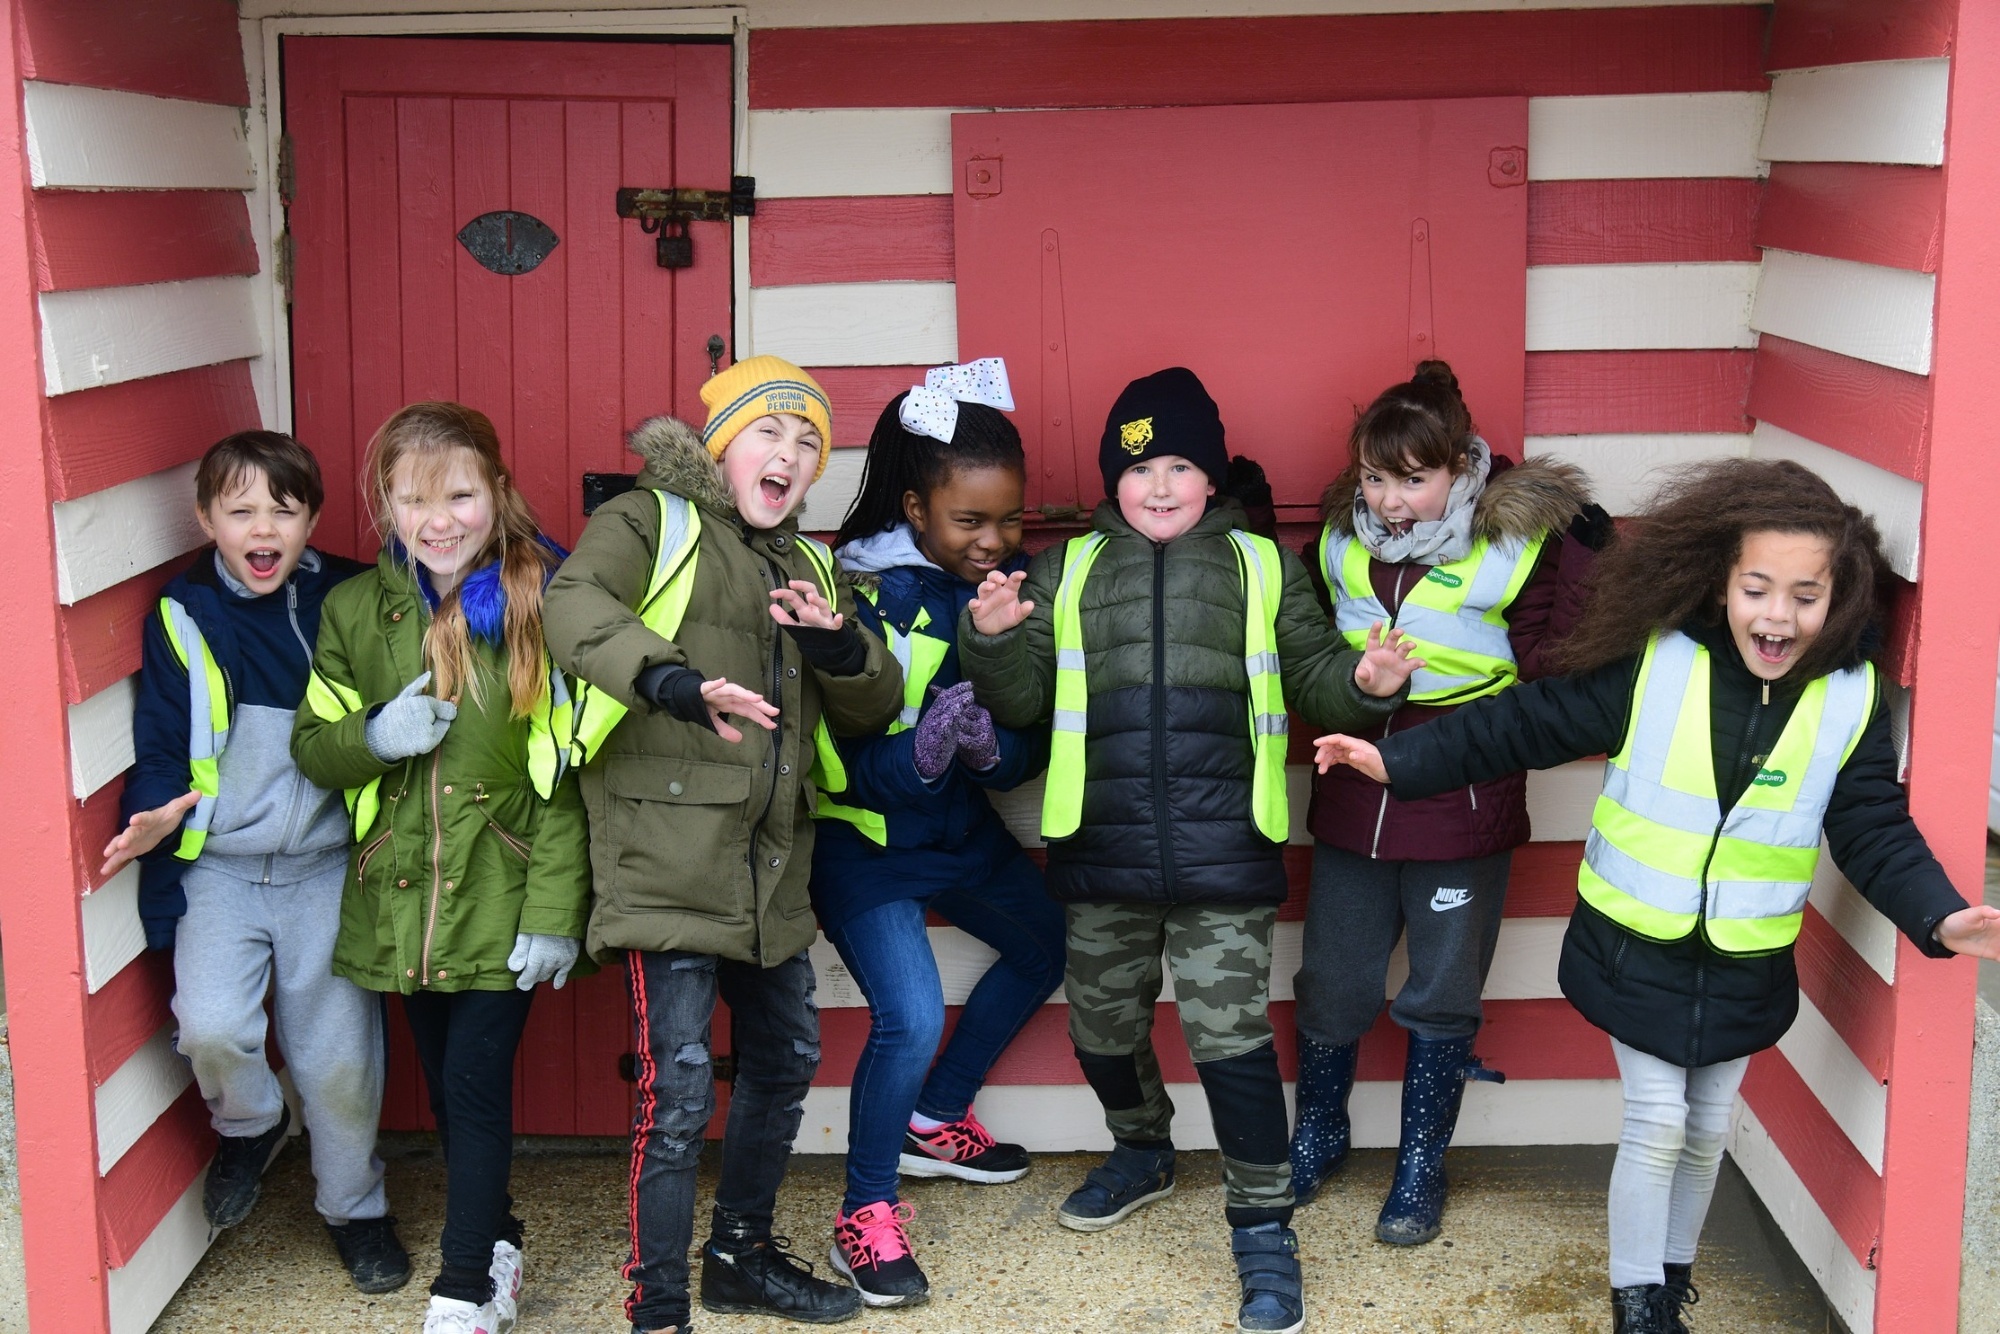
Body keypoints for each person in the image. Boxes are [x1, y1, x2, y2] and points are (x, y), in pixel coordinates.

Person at [1310, 458, 2000, 1333]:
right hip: (1634, 946)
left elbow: (1872, 826)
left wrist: (1942, 915)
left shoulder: (1850, 698)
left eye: (1805, 595)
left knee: (1708, 1125)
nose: (1778, 615)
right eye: (1758, 588)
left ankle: (1670, 1283)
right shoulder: (1657, 666)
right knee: (1658, 1120)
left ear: (1842, 599)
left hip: (1747, 960)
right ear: (1720, 584)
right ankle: (1638, 1303)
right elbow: (1524, 721)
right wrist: (1397, 761)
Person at [960, 367, 1420, 1334]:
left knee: (1231, 1044)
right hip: (1100, 850)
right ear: (1110, 483)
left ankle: (1262, 1232)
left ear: (1211, 479)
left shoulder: (1262, 566)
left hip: (1225, 856)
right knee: (1101, 1030)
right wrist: (995, 641)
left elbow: (1316, 680)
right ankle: (1142, 1151)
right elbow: (1023, 702)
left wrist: (1369, 683)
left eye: (1180, 466)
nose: (1160, 486)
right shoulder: (1065, 570)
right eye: (1139, 470)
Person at [543, 357, 903, 1334]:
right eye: (769, 431)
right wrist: (666, 681)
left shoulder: (808, 563)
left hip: (770, 866)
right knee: (679, 1089)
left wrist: (837, 645)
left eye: (807, 442)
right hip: (664, 854)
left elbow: (874, 705)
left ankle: (739, 1254)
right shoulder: (647, 521)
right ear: (718, 440)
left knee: (786, 1052)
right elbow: (570, 607)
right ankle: (657, 1307)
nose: (787, 453)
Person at [292, 402, 591, 1334]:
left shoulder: (544, 598)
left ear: (496, 492)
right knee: (445, 1075)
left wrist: (555, 912)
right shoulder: (355, 609)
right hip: (401, 892)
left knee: (472, 1081)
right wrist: (373, 737)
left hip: (501, 890)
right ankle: (496, 1231)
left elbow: (569, 779)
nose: (440, 519)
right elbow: (314, 746)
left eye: (460, 494)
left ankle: (465, 1285)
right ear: (385, 502)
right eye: (415, 499)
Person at [1290, 360, 1606, 1243]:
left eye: (1415, 480)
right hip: (1357, 781)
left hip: (1469, 782)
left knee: (1442, 986)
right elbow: (1308, 646)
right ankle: (1319, 1129)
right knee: (1336, 976)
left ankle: (1422, 1164)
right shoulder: (1337, 541)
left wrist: (1585, 539)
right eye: (1375, 477)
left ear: (1463, 469)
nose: (1392, 501)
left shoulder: (1516, 543)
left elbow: (1560, 657)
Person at [104, 430, 404, 1292]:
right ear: (206, 519)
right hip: (223, 870)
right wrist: (153, 815)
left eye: (284, 508)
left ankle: (356, 1212)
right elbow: (162, 740)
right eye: (239, 511)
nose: (262, 527)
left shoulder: (351, 594)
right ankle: (250, 1124)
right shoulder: (183, 612)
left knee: (340, 1062)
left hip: (324, 869)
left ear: (312, 518)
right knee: (211, 1027)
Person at [812, 361, 1066, 1308]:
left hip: (957, 831)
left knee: (1051, 941)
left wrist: (990, 746)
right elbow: (827, 760)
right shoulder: (854, 597)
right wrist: (915, 757)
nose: (995, 541)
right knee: (909, 1013)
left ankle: (935, 1114)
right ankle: (863, 1216)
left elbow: (1023, 750)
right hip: (863, 841)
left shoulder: (1004, 593)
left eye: (1011, 520)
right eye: (971, 522)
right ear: (916, 508)